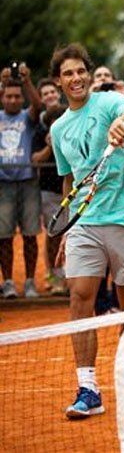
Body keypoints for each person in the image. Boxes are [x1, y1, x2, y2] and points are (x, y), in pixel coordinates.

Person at [49, 43, 124, 418]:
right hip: (85, 223)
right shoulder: (59, 128)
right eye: (68, 73)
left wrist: (122, 122)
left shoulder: (109, 102)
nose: (76, 78)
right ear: (58, 81)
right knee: (80, 297)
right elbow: (69, 180)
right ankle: (88, 389)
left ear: (89, 75)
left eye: (81, 71)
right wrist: (67, 225)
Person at [0, 65, 43, 299]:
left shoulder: (27, 117)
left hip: (28, 182)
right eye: (9, 96)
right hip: (3, 183)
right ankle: (8, 282)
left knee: (30, 235)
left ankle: (29, 282)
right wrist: (1, 83)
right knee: (4, 237)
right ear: (3, 98)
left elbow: (38, 105)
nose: (13, 100)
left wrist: (26, 81)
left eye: (17, 96)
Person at [32, 105, 68, 295]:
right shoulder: (40, 134)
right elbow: (36, 159)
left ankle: (70, 277)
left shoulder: (73, 133)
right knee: (54, 234)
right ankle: (55, 276)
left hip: (74, 191)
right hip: (50, 192)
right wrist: (50, 145)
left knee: (76, 235)